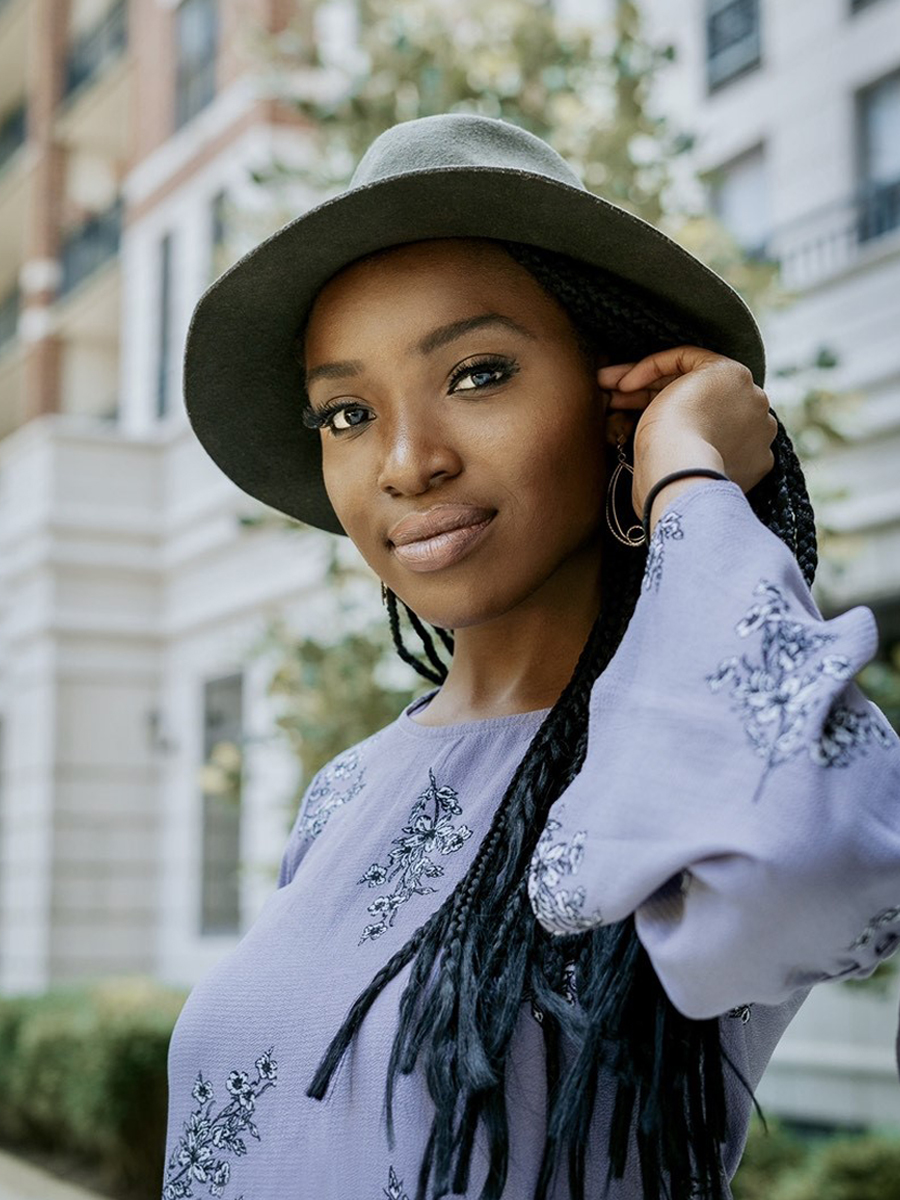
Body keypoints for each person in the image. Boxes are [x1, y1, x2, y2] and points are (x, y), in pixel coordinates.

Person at [165, 114, 900, 1200]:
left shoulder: (711, 750)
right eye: (349, 412)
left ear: (618, 398)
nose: (406, 463)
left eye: (477, 374)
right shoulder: (342, 796)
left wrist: (687, 470)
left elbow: (810, 868)